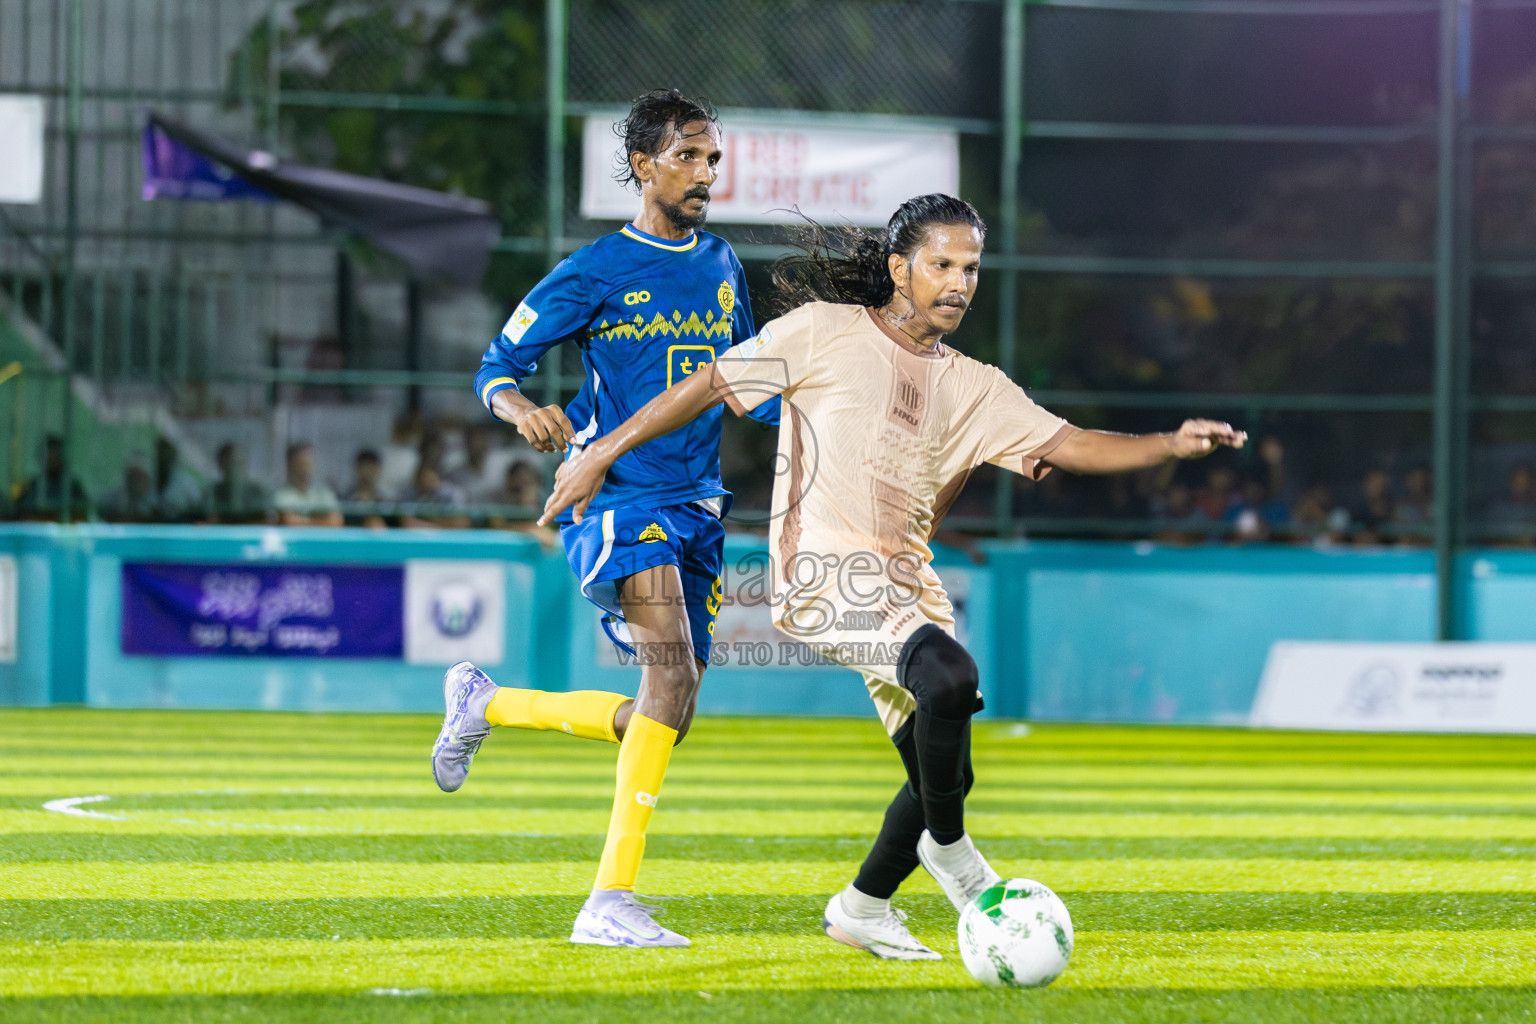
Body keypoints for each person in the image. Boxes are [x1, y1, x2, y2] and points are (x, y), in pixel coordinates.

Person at [539, 194, 1245, 959]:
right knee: (948, 679)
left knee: (944, 767)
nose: (958, 282)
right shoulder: (823, 333)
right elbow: (708, 384)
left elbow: (1072, 443)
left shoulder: (977, 385)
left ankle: (863, 905)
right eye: (941, 264)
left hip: (908, 590)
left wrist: (1169, 445)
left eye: (970, 267)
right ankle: (952, 856)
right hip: (822, 577)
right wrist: (601, 453)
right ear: (898, 268)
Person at [429, 89, 780, 948]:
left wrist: (824, 415)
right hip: (617, 498)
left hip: (700, 505)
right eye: (690, 156)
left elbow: (751, 388)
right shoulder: (594, 270)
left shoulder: (723, 263)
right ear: (643, 164)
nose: (706, 173)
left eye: (712, 159)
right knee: (669, 682)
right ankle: (608, 901)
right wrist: (521, 411)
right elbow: (497, 364)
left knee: (672, 705)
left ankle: (490, 704)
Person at [272, 442, 342, 527]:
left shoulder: (322, 493)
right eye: (302, 462)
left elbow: (335, 521)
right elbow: (288, 521)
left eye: (309, 461)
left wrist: (303, 521)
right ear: (291, 465)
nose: (306, 466)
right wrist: (322, 522)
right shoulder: (282, 494)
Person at [207, 443, 269, 523]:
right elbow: (206, 519)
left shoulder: (258, 492)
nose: (235, 469)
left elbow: (265, 520)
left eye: (239, 463)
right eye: (230, 463)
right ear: (221, 465)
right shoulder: (212, 492)